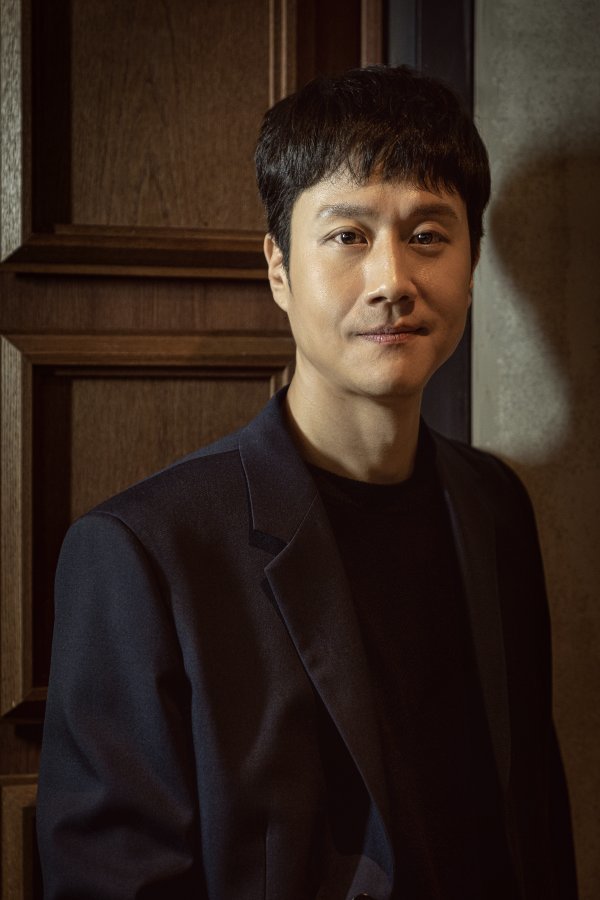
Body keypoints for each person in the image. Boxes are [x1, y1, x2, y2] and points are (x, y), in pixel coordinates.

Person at [37, 65, 577, 899]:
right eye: (348, 235)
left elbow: (534, 820)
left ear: (471, 266)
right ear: (279, 269)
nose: (392, 280)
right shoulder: (142, 552)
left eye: (428, 235)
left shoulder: (495, 505)